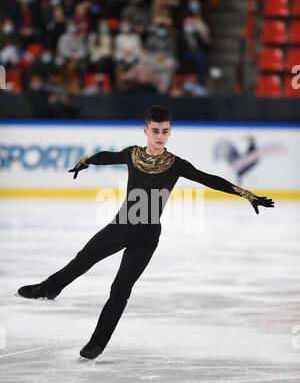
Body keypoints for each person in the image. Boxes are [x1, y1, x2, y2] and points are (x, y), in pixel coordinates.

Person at [17, 105, 275, 360]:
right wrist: (87, 161)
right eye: (155, 131)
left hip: (146, 237)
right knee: (82, 260)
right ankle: (48, 289)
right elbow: (108, 156)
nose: (160, 136)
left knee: (120, 289)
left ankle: (97, 342)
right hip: (120, 226)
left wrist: (247, 194)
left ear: (170, 132)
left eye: (165, 131)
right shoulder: (132, 154)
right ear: (145, 130)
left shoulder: (177, 165)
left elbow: (210, 179)